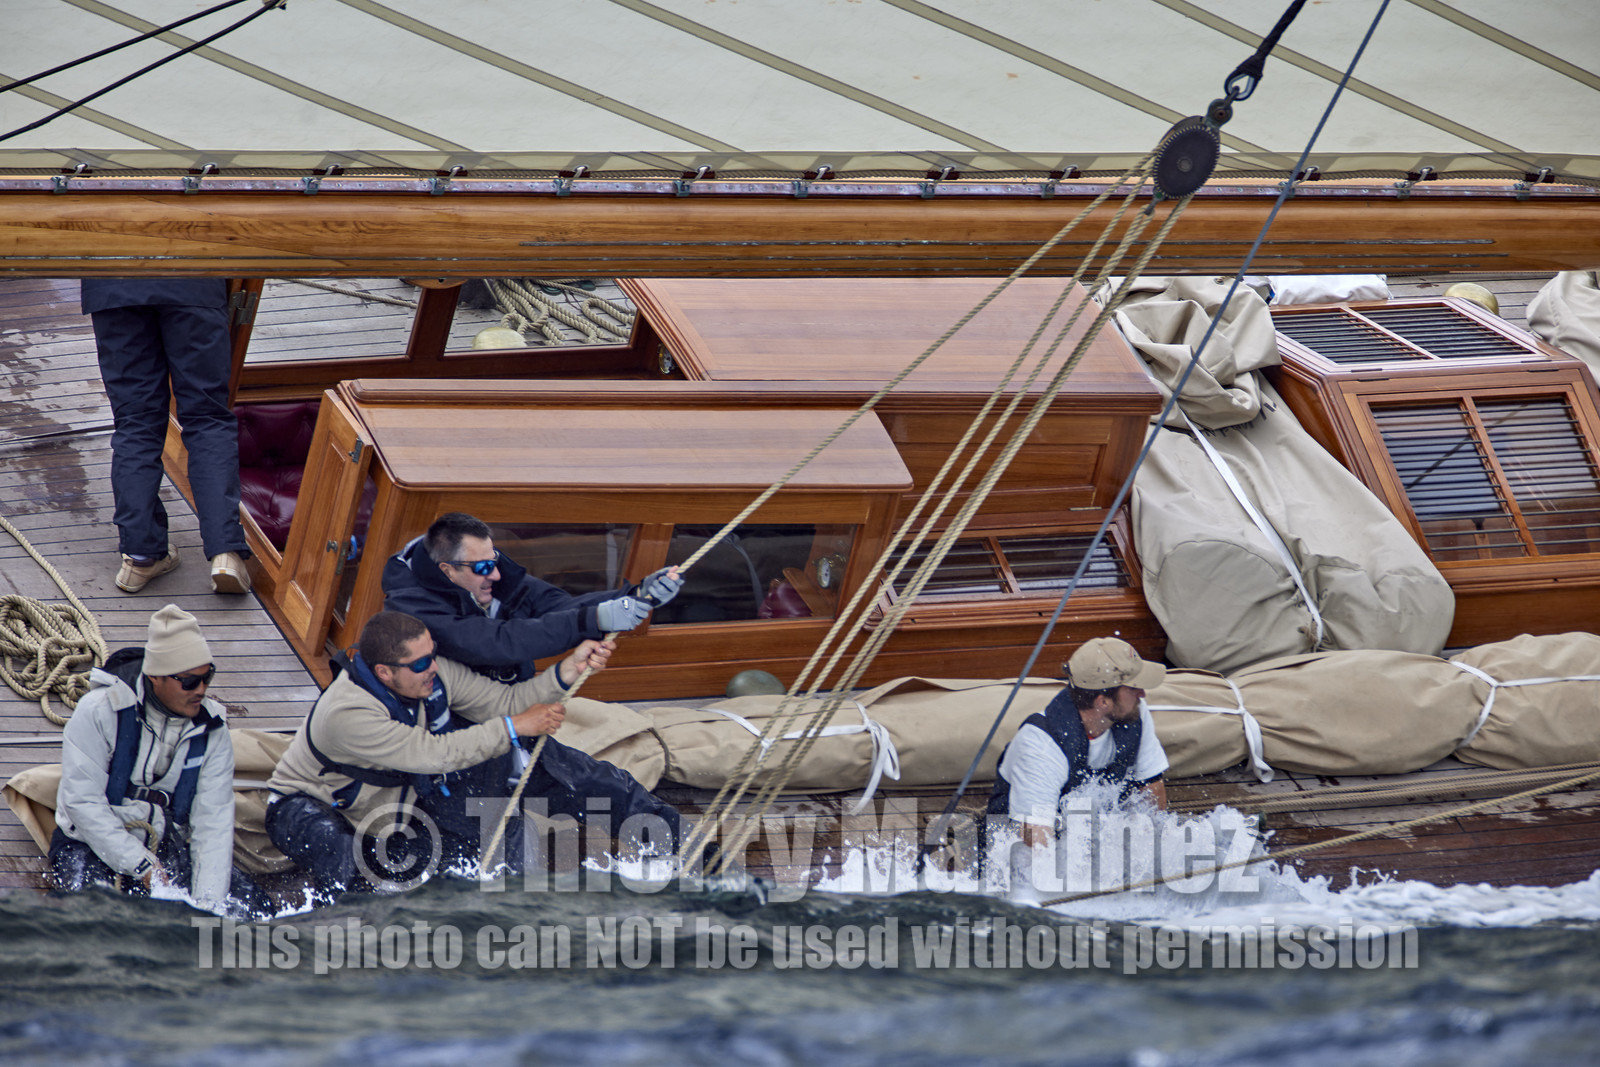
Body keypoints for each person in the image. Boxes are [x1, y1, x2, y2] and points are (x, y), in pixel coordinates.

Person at [265, 611, 687, 899]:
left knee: (551, 775)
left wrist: (568, 670)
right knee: (359, 873)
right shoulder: (347, 713)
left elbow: (504, 702)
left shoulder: (429, 674)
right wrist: (513, 729)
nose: (433, 667)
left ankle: (681, 847)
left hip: (400, 801)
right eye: (420, 663)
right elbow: (433, 755)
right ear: (384, 673)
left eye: (432, 654)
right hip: (310, 805)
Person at [52, 605, 266, 916]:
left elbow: (213, 822)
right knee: (96, 923)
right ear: (155, 677)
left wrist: (208, 907)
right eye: (190, 682)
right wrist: (139, 865)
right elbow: (82, 804)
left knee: (253, 913)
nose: (202, 690)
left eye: (208, 677)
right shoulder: (98, 710)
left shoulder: (213, 729)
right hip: (88, 840)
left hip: (166, 839)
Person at [82, 278, 251, 595]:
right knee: (207, 418)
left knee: (136, 420)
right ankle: (225, 553)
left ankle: (140, 555)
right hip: (191, 278)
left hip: (112, 282)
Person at [381, 511, 683, 683]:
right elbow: (497, 641)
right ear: (447, 570)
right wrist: (597, 618)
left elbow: (558, 607)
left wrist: (636, 595)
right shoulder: (412, 608)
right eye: (484, 567)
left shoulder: (491, 579)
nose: (496, 575)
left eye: (495, 560)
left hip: (517, 704)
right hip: (463, 724)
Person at [988, 637, 1169, 900]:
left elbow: (1152, 791)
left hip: (1089, 842)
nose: (1142, 694)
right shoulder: (1041, 744)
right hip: (1025, 853)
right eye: (1133, 688)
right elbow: (1034, 846)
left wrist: (1148, 866)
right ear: (1103, 702)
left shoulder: (1134, 713)